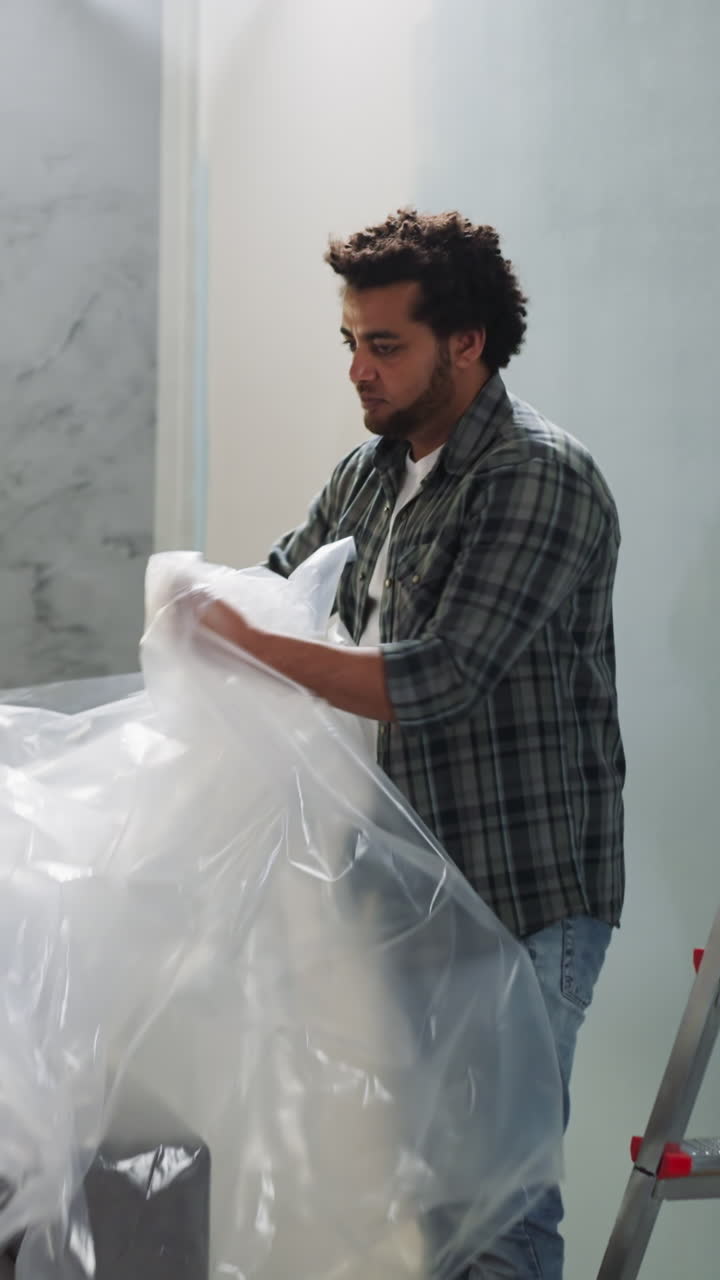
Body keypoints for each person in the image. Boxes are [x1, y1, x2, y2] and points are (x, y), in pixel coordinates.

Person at [198, 209, 625, 1279]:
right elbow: (282, 580)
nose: (359, 369)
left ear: (467, 343)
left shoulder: (537, 476)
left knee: (497, 1200)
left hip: (520, 898)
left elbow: (437, 679)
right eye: (349, 340)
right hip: (404, 896)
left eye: (385, 344)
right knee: (434, 1201)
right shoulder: (373, 474)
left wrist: (246, 642)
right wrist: (206, 608)